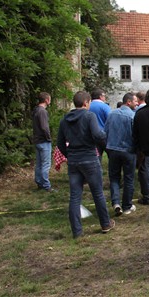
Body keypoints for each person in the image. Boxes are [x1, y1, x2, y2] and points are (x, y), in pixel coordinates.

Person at [57, 91, 114, 239]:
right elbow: (97, 134)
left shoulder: (65, 120)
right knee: (98, 193)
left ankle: (77, 231)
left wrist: (69, 154)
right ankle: (105, 223)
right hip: (89, 158)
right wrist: (104, 139)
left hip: (74, 161)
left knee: (75, 197)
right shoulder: (89, 116)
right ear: (86, 103)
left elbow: (59, 143)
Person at [104, 92, 138, 216]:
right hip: (128, 150)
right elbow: (136, 135)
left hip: (113, 149)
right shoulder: (133, 116)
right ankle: (127, 205)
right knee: (129, 178)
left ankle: (116, 202)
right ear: (128, 102)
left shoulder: (111, 114)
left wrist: (107, 148)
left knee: (114, 177)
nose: (137, 103)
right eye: (135, 101)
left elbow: (105, 132)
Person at [32, 92, 54, 192]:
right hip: (44, 141)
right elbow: (44, 127)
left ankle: (39, 182)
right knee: (46, 164)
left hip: (37, 140)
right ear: (46, 100)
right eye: (49, 99)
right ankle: (46, 185)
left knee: (39, 164)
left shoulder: (35, 110)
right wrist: (49, 138)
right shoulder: (42, 112)